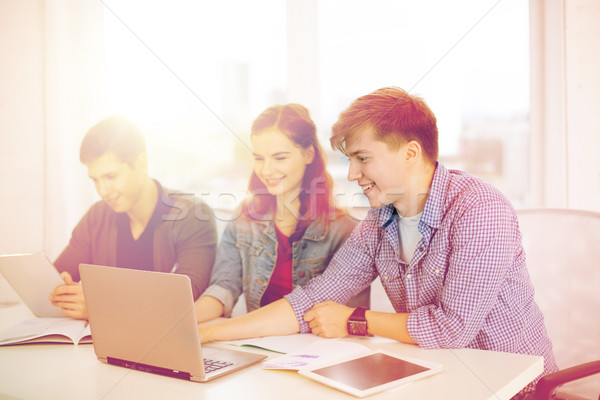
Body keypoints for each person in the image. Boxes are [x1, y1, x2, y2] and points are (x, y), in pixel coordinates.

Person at [197, 88, 557, 396]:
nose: (353, 175)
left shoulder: (480, 210)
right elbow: (313, 298)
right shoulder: (380, 220)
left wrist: (355, 320)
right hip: (440, 380)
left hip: (513, 388)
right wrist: (208, 333)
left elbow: (452, 328)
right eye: (350, 160)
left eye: (362, 159)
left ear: (411, 153)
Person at [194, 104, 368, 323]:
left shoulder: (344, 231)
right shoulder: (245, 216)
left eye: (279, 158)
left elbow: (347, 318)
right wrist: (181, 323)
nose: (266, 170)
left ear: (308, 154)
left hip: (315, 350)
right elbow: (223, 288)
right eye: (259, 158)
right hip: (256, 342)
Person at [49, 116, 217, 320]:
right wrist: (61, 288)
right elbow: (58, 274)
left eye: (111, 177)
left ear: (141, 164)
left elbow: (186, 297)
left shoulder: (192, 216)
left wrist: (101, 305)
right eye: (95, 180)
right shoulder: (98, 215)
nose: (103, 191)